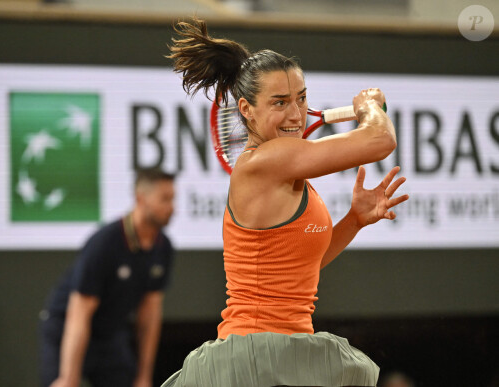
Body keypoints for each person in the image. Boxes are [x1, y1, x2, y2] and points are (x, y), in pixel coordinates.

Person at [163, 18, 409, 387]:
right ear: (246, 109)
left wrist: (354, 221)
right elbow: (379, 140)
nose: (296, 114)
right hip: (253, 361)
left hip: (286, 356)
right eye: (280, 103)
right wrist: (370, 107)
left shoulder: (286, 170)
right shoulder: (266, 161)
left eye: (302, 98)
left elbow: (303, 266)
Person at [39, 167, 176, 387]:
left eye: (173, 199)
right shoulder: (105, 243)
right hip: (67, 326)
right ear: (141, 198)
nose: (172, 208)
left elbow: (149, 315)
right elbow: (79, 314)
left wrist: (144, 377)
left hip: (109, 334)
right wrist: (68, 378)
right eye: (165, 199)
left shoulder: (164, 248)